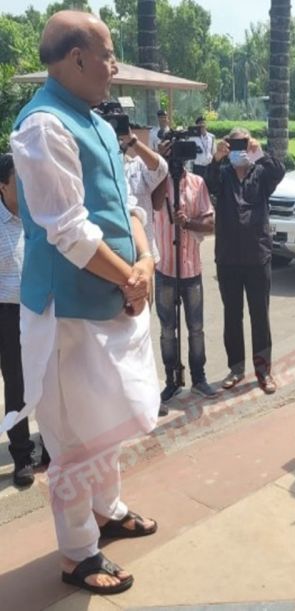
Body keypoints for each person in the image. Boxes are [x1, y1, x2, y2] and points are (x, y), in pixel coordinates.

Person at [8, 10, 161, 594]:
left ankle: (106, 508)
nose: (114, 66)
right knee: (73, 437)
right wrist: (131, 279)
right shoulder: (44, 125)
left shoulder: (93, 120)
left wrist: (143, 261)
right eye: (109, 54)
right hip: (66, 313)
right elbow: (67, 230)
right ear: (76, 59)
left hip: (110, 301)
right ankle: (77, 553)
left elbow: (129, 205)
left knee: (108, 423)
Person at [207, 128, 285, 394]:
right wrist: (217, 158)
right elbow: (209, 184)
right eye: (235, 143)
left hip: (257, 254)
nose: (239, 149)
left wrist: (258, 152)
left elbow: (279, 172)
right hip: (228, 256)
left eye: (243, 143)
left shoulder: (260, 172)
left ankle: (263, 372)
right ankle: (236, 368)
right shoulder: (224, 172)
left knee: (259, 315)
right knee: (232, 315)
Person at [154, 164, 217, 405]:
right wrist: (161, 169)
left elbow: (210, 225)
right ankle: (172, 381)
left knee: (196, 328)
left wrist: (187, 223)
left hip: (191, 269)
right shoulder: (157, 182)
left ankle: (198, 378)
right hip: (165, 268)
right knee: (168, 331)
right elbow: (153, 205)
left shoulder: (197, 182)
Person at [0, 153, 44, 488]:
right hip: (7, 312)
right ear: (3, 185)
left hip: (40, 309)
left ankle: (50, 447)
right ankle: (21, 455)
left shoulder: (38, 217)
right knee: (15, 385)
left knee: (46, 380)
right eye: (19, 180)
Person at [119, 127, 168, 266]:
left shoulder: (137, 165)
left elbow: (161, 169)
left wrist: (132, 141)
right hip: (112, 256)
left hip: (144, 256)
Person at [190, 116, 214, 181]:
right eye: (200, 123)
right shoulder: (192, 138)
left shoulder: (211, 136)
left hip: (209, 166)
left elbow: (212, 151)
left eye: (204, 123)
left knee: (209, 186)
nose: (202, 125)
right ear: (197, 125)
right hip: (198, 167)